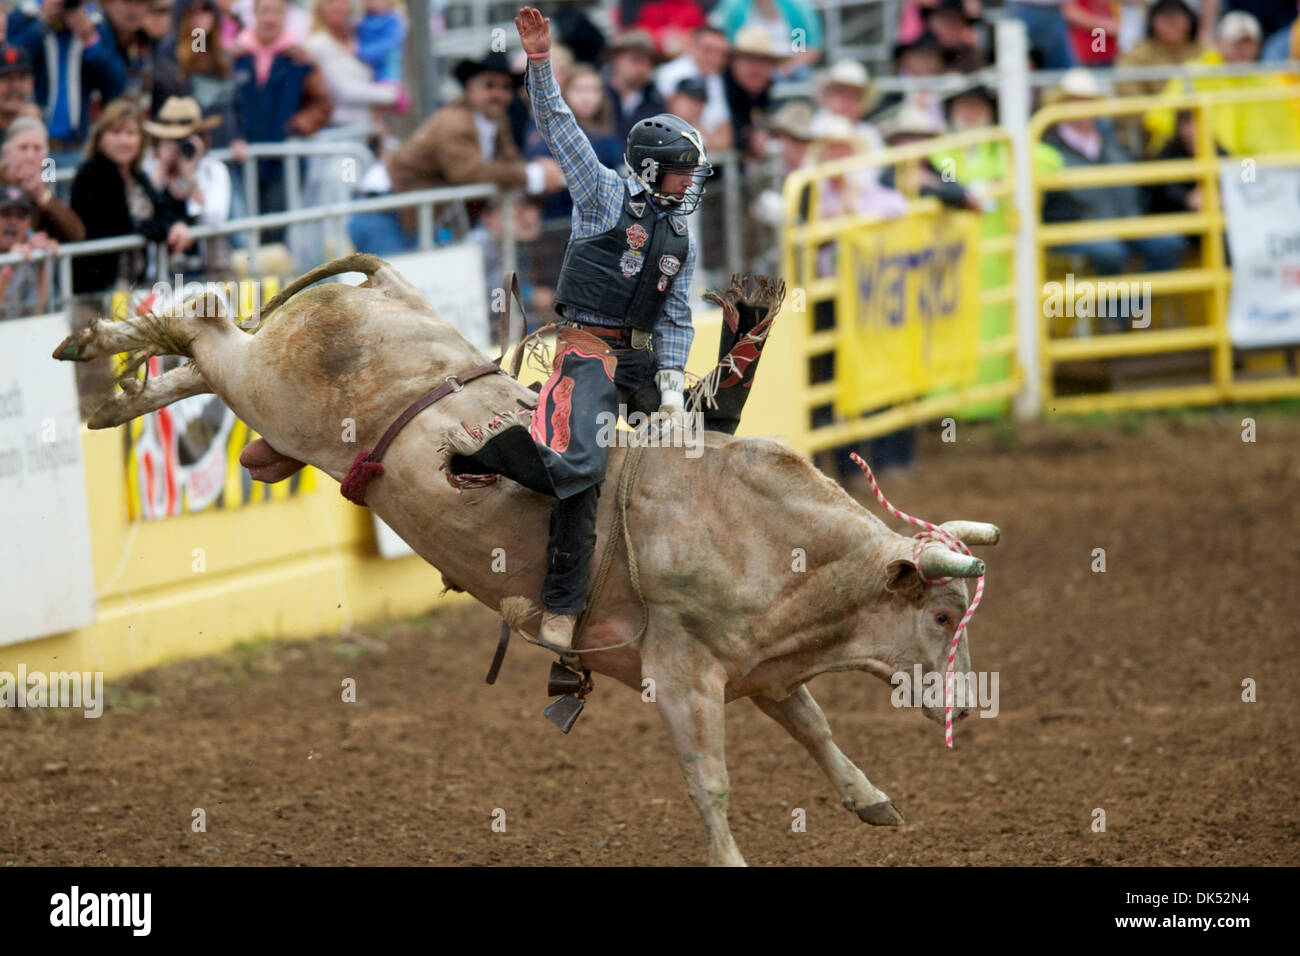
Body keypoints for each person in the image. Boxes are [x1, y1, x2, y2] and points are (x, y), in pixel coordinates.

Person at [444, 7, 777, 651]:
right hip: (584, 354)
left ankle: (710, 581)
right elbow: (559, 125)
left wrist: (676, 391)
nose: (690, 183)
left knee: (710, 431)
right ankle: (561, 606)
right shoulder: (599, 194)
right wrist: (541, 64)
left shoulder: (679, 233)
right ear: (652, 169)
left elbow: (677, 315)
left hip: (645, 363)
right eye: (684, 171)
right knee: (582, 469)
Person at [354, 50, 562, 254]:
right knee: (389, 285)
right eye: (489, 85)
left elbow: (508, 160)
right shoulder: (455, 121)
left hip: (417, 213)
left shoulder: (495, 122)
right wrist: (534, 175)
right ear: (470, 87)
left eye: (506, 87)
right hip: (385, 209)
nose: (498, 94)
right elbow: (468, 172)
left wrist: (538, 172)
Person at [1041, 69, 1188, 290]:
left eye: (1087, 101)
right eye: (1075, 100)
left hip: (1124, 222)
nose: (1083, 107)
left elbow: (1140, 190)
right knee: (1110, 252)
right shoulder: (1048, 149)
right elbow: (1051, 205)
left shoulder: (1115, 146)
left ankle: (1127, 308)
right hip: (1082, 228)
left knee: (1170, 244)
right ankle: (1123, 313)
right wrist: (1082, 217)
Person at [232, 0, 333, 242]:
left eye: (276, 11)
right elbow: (223, 103)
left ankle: (275, 279)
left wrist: (298, 125)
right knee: (243, 232)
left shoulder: (300, 59)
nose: (270, 18)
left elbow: (323, 104)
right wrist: (233, 135)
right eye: (264, 11)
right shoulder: (235, 57)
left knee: (276, 231)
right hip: (242, 160)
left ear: (285, 15)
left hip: (284, 161)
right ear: (254, 14)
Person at [69, 97, 192, 295]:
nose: (124, 141)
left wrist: (176, 224)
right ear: (101, 137)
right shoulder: (91, 174)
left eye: (131, 133)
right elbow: (119, 226)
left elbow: (161, 209)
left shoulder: (137, 175)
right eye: (116, 132)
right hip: (97, 291)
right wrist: (163, 229)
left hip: (135, 286)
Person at [6, 1, 122, 155]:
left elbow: (115, 86)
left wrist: (89, 39)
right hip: (32, 145)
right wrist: (42, 23)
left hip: (77, 143)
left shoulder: (95, 22)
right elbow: (8, 62)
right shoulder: (24, 17)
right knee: (43, 177)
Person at [142, 95, 231, 273]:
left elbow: (214, 217)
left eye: (183, 139)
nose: (176, 145)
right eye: (169, 139)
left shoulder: (212, 169)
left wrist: (189, 174)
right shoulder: (149, 167)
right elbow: (142, 210)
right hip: (158, 271)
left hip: (205, 269)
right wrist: (162, 167)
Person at [524, 62, 622, 220]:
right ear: (564, 92)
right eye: (579, 89)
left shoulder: (608, 136)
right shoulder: (548, 132)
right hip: (557, 218)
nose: (587, 97)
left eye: (594, 90)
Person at [306, 0, 398, 129]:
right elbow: (346, 92)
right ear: (320, 8)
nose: (337, 7)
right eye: (330, 2)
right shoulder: (319, 44)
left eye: (342, 2)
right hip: (338, 130)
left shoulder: (355, 40)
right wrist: (392, 94)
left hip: (364, 127)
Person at [0, 114, 85, 242]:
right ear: (6, 153)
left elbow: (77, 235)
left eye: (37, 149)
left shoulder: (42, 188)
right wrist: (26, 242)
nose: (30, 156)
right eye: (23, 148)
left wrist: (43, 196)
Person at [653, 24, 731, 145]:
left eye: (721, 53)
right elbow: (674, 135)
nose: (715, 58)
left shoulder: (715, 79)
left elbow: (726, 138)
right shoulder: (671, 74)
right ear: (692, 47)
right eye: (708, 50)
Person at [723, 25, 785, 164]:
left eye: (763, 61)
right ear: (734, 62)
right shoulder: (717, 89)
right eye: (749, 59)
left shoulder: (763, 92)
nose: (756, 68)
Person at [603, 28, 665, 140]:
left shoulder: (655, 101)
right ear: (616, 60)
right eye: (636, 59)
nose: (643, 67)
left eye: (650, 62)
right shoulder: (598, 95)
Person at [0, 185, 50, 317]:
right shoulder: (19, 257)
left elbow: (39, 313)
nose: (13, 221)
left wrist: (42, 263)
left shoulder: (30, 253)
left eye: (20, 216)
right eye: (5, 214)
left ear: (29, 223)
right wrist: (9, 267)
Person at [0, 43, 41, 144]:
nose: (15, 85)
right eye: (6, 78)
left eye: (22, 78)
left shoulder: (43, 128)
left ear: (32, 84)